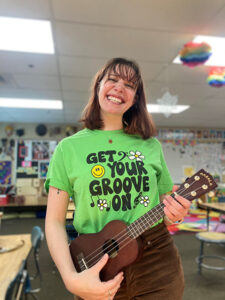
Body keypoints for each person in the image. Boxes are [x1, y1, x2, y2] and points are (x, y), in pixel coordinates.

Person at [45, 57, 190, 300]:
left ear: (136, 98)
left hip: (156, 256)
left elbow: (167, 203)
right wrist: (71, 279)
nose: (119, 88)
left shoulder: (150, 146)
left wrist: (177, 211)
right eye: (112, 79)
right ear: (98, 86)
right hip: (96, 259)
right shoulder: (68, 149)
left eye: (130, 85)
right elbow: (54, 222)